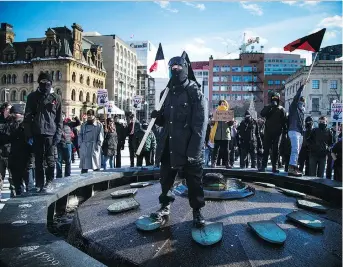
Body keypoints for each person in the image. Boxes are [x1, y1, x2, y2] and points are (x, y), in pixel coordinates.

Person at [151, 54, 208, 228]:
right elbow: (165, 121)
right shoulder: (165, 93)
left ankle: (197, 211)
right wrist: (157, 117)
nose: (175, 69)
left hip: (188, 146)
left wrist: (194, 151)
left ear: (185, 67)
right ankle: (165, 206)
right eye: (172, 67)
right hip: (169, 146)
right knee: (166, 179)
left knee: (194, 182)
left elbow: (200, 124)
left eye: (178, 66)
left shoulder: (194, 92)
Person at [24, 72, 62, 192]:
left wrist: (58, 135)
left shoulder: (56, 98)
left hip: (51, 133)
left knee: (50, 159)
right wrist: (29, 134)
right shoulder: (32, 97)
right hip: (37, 133)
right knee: (38, 160)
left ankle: (50, 181)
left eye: (48, 83)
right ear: (39, 83)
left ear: (51, 84)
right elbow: (27, 117)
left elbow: (59, 119)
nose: (45, 85)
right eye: (43, 83)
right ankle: (39, 183)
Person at [0, 105, 32, 196]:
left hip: (23, 159)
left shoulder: (24, 125)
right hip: (18, 159)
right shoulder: (9, 125)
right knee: (23, 185)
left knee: (24, 185)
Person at [259, 92, 287, 173]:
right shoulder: (268, 107)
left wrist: (285, 133)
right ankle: (263, 166)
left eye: (276, 98)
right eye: (273, 98)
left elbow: (284, 121)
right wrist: (270, 106)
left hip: (278, 133)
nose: (274, 100)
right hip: (268, 132)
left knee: (276, 150)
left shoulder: (282, 109)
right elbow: (262, 114)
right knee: (266, 149)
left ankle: (274, 167)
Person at [287, 80, 306, 176]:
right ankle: (291, 168)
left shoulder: (301, 112)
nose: (302, 104)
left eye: (303, 103)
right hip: (294, 130)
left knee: (297, 150)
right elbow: (296, 97)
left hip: (299, 132)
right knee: (295, 149)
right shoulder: (294, 107)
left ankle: (294, 167)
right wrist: (301, 86)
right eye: (301, 102)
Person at [209, 100, 231, 169]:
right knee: (216, 149)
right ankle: (213, 163)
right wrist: (212, 120)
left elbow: (231, 125)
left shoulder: (228, 113)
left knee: (226, 150)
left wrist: (231, 121)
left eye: (224, 104)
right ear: (219, 104)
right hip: (217, 134)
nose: (222, 105)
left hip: (225, 134)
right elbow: (211, 124)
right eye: (221, 104)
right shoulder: (215, 112)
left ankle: (227, 163)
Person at [56, 113, 77, 178]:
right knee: (59, 160)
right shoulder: (56, 122)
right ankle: (59, 175)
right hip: (59, 143)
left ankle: (67, 174)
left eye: (63, 116)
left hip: (68, 143)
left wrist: (76, 118)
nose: (62, 117)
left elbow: (78, 123)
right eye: (60, 116)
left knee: (68, 160)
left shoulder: (69, 123)